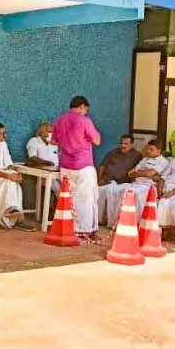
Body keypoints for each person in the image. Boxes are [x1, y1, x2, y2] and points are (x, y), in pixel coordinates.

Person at [52, 96, 102, 241]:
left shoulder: (59, 120)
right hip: (83, 164)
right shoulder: (85, 120)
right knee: (87, 199)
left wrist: (67, 142)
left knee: (70, 198)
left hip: (66, 166)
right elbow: (97, 141)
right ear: (82, 106)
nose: (86, 112)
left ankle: (72, 228)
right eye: (86, 109)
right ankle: (87, 231)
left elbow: (54, 140)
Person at [104, 140, 168, 228]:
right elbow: (131, 173)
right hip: (136, 183)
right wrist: (145, 173)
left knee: (128, 192)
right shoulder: (145, 159)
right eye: (148, 149)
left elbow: (149, 173)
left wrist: (141, 173)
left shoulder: (163, 162)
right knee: (111, 190)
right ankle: (113, 222)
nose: (148, 151)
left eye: (151, 149)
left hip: (148, 186)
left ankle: (129, 223)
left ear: (159, 150)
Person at [97, 134, 143, 224]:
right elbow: (102, 166)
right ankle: (99, 219)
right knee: (99, 190)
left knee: (118, 193)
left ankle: (113, 221)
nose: (123, 145)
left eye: (126, 144)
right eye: (121, 143)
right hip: (108, 179)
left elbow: (138, 169)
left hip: (124, 182)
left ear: (132, 145)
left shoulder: (137, 155)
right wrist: (99, 179)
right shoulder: (112, 153)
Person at [25, 122, 60, 193]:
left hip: (56, 171)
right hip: (43, 172)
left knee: (69, 183)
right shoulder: (34, 141)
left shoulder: (54, 143)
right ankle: (63, 198)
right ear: (40, 132)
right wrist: (47, 163)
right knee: (58, 188)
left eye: (51, 132)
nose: (49, 134)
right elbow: (32, 157)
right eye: (47, 131)